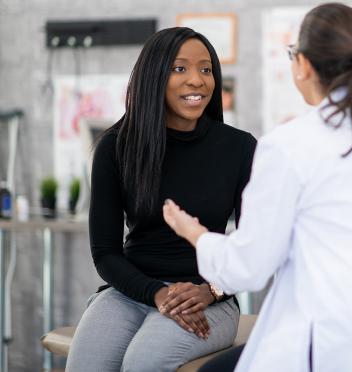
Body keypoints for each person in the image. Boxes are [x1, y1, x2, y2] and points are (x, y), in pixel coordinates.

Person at [163, 3, 352, 372]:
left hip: (327, 346)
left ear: (305, 65)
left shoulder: (289, 146)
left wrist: (197, 235)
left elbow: (248, 269)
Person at [66, 27, 256, 372]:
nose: (197, 80)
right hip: (131, 292)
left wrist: (210, 291)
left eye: (206, 69)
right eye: (179, 68)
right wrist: (157, 293)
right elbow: (105, 252)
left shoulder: (240, 148)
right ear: (154, 77)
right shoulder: (115, 146)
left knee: (143, 362)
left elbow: (252, 247)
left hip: (210, 298)